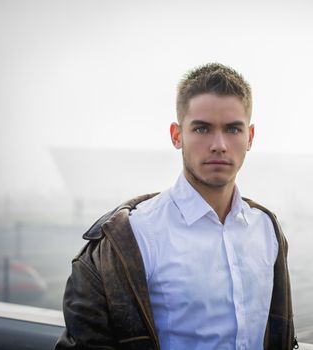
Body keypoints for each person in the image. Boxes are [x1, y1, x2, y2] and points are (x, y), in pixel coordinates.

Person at [56, 63, 298, 350]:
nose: (219, 145)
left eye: (233, 129)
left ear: (250, 137)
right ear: (177, 135)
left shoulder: (266, 229)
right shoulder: (131, 236)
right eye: (202, 129)